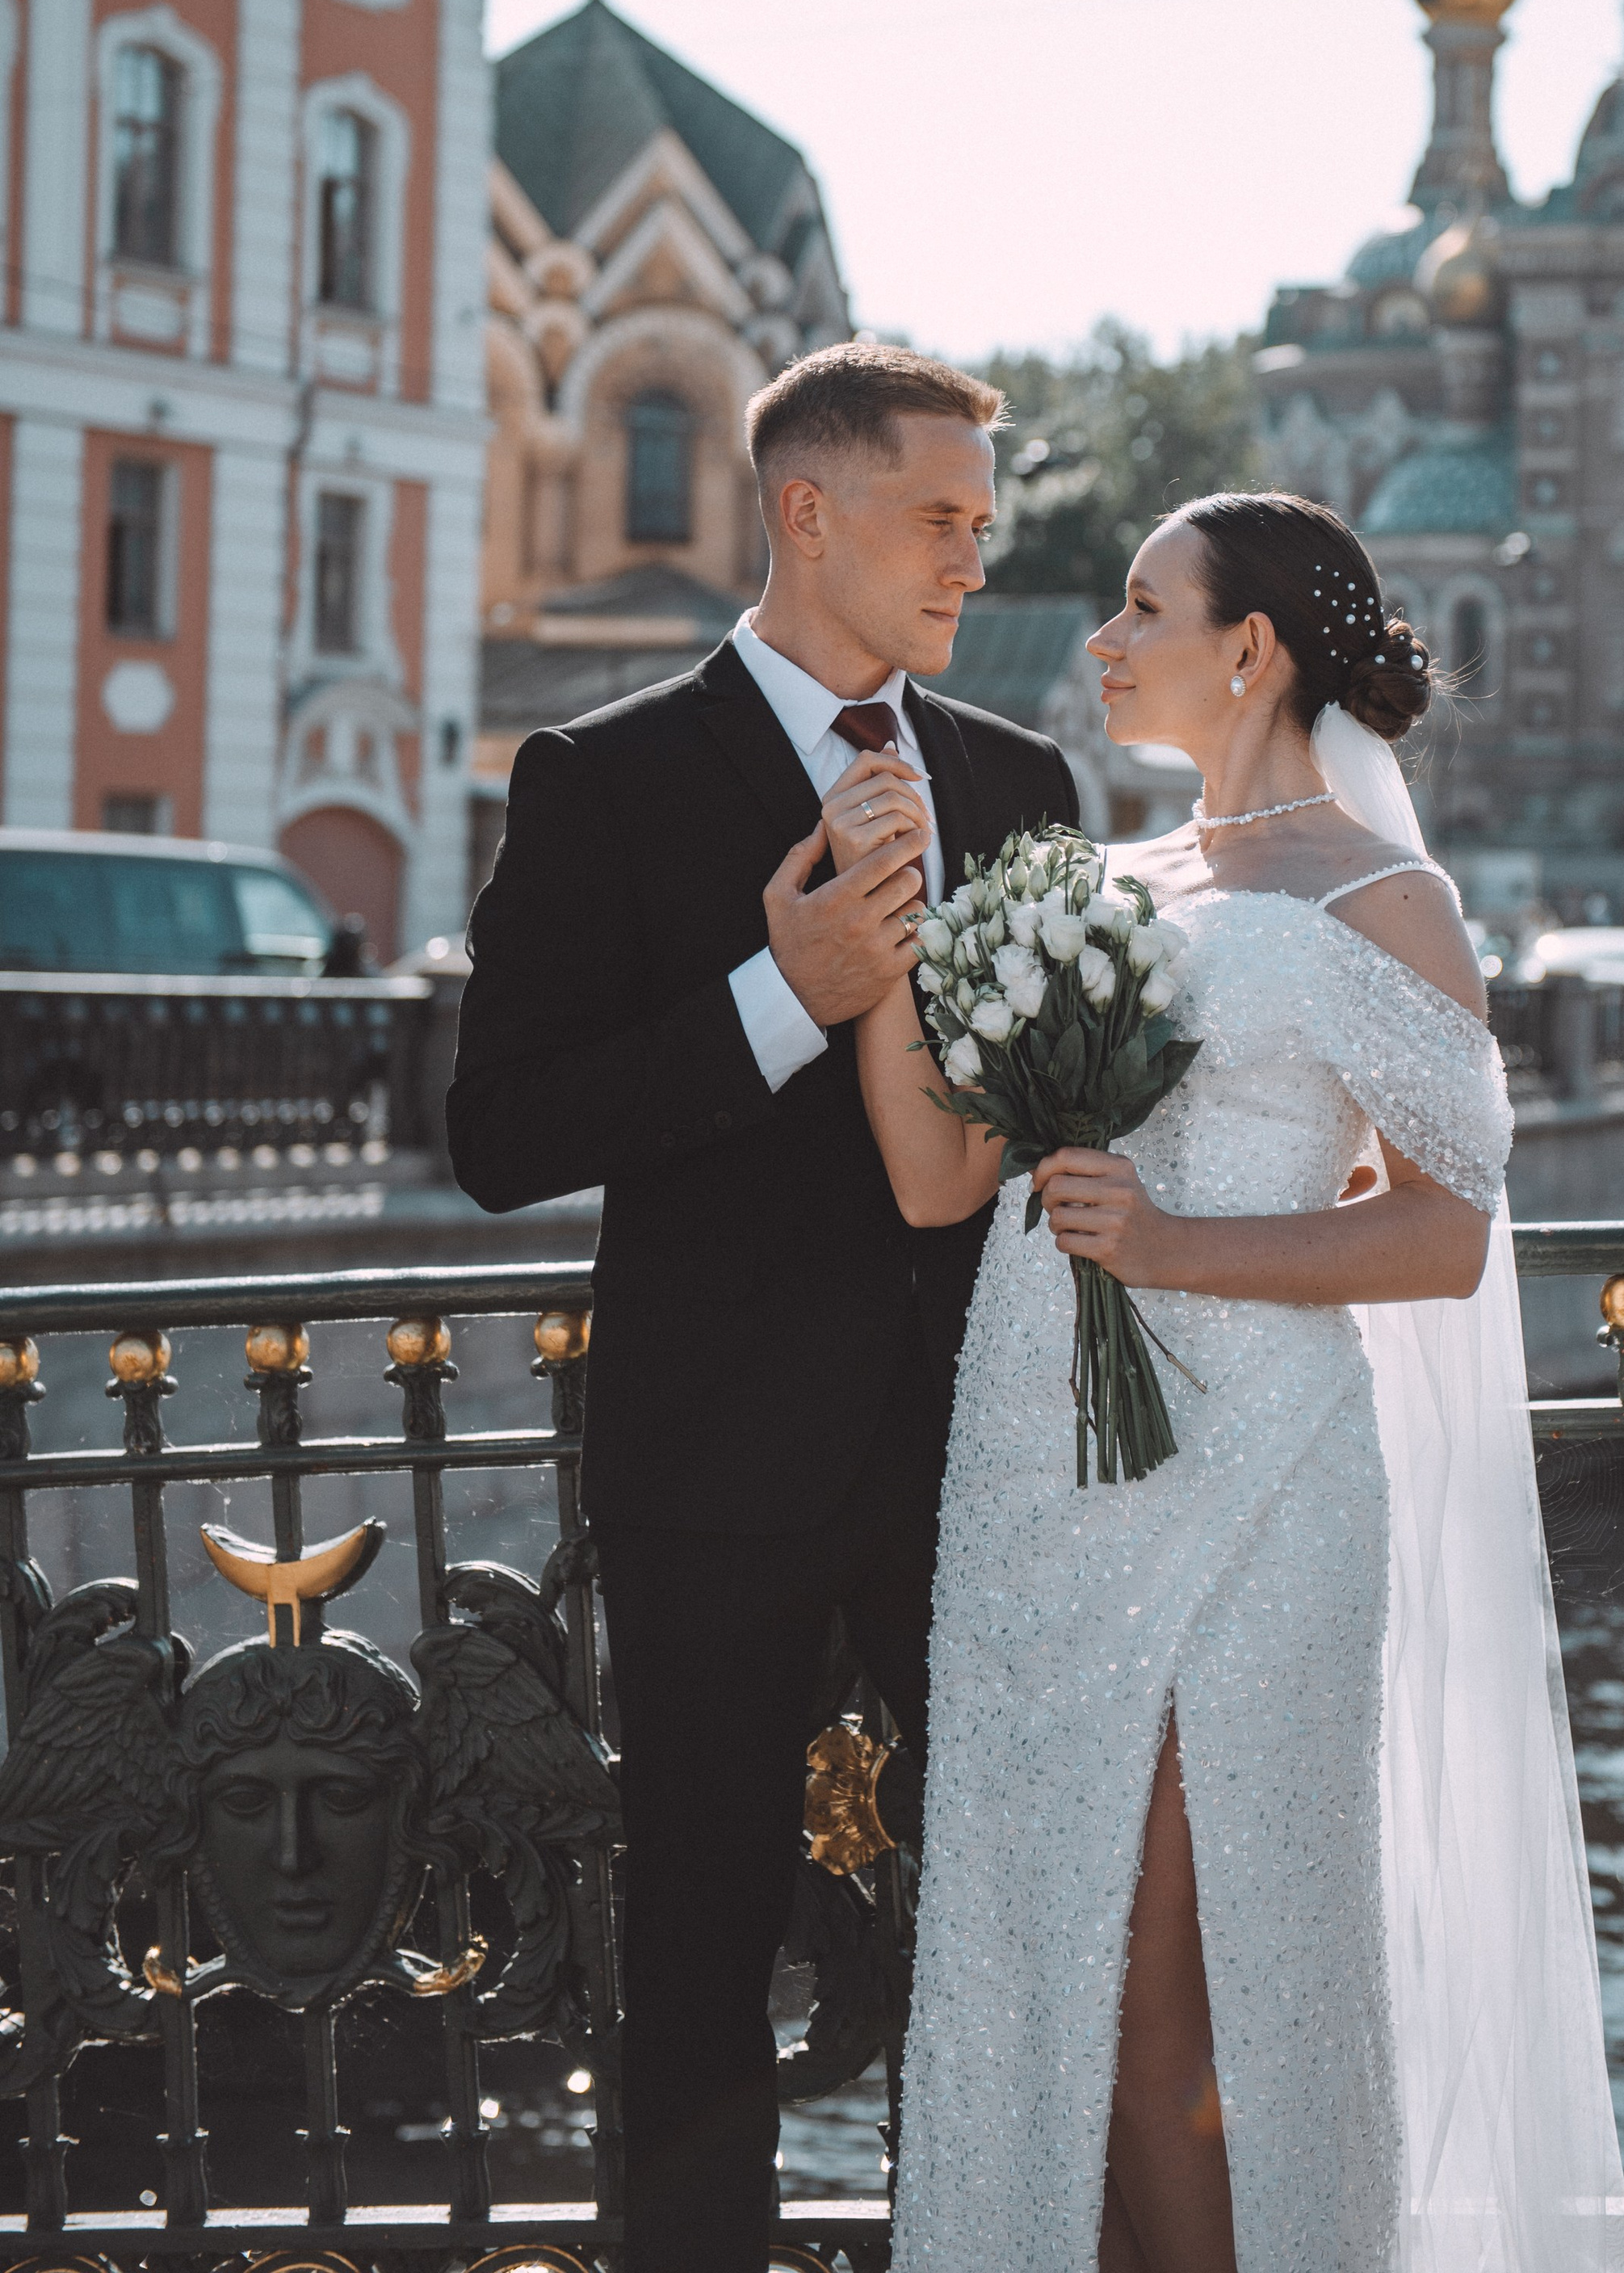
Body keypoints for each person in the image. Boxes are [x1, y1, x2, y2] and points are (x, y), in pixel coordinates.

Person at [851, 490, 1624, 2273]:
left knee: (1180, 2001)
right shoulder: (1099, 887)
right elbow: (936, 1181)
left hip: (1265, 1478)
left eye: (1139, 606)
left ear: (1249, 648)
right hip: (1034, 1476)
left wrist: (1172, 1248)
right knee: (1033, 1961)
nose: (1099, 642)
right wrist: (889, 938)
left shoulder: (1382, 896)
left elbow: (1440, 1236)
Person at [445, 343, 1076, 2273]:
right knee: (701, 1935)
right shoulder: (606, 773)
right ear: (808, 513)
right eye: (941, 517)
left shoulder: (1018, 778)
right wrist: (779, 995)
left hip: (983, 1455)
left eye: (987, 520)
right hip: (711, 1468)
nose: (976, 555)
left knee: (1018, 1915)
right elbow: (498, 1129)